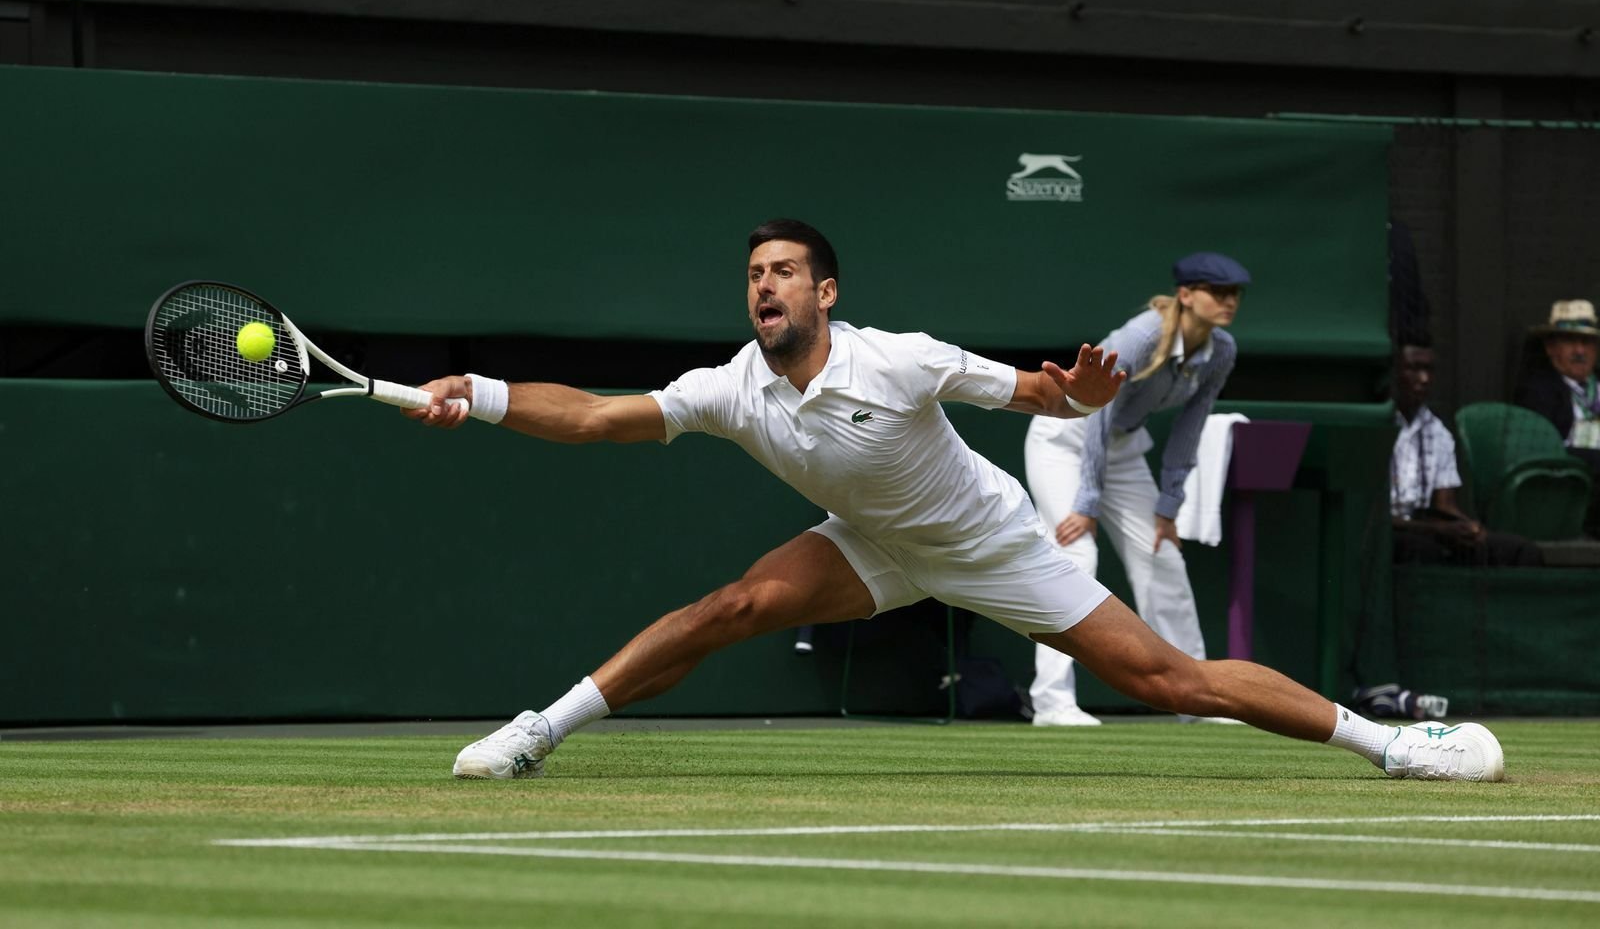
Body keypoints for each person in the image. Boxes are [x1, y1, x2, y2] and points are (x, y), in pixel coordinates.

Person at [409, 218, 1504, 783]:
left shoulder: (900, 357)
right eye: (753, 274)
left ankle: (1396, 747)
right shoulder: (726, 387)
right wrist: (487, 394)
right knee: (730, 607)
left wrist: (1069, 392)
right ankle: (534, 734)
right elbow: (599, 417)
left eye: (785, 271)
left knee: (1170, 681)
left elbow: (1031, 389)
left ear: (824, 291)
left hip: (990, 542)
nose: (764, 286)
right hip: (873, 541)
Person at [1022, 252, 1247, 727]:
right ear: (1186, 295)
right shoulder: (1142, 336)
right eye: (1217, 292)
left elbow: (1192, 424)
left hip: (1121, 451)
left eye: (1234, 294)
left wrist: (1169, 504)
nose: (1228, 302)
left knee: (1162, 558)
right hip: (1066, 438)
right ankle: (1052, 702)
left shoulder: (1221, 350)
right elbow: (1098, 412)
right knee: (1074, 556)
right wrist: (1087, 502)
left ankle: (1198, 699)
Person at [1391, 340, 1541, 566]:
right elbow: (1376, 516)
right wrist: (1437, 529)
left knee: (1522, 551)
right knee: (1422, 551)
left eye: (1429, 370)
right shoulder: (1379, 426)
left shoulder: (1437, 430)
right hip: (1387, 531)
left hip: (1425, 526)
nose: (1424, 379)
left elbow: (1445, 505)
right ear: (1395, 372)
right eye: (1414, 369)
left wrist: (1470, 527)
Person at [1513, 299, 1600, 534]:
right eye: (1571, 341)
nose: (1580, 351)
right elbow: (1546, 455)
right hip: (1566, 489)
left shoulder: (1598, 387)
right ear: (1551, 347)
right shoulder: (1537, 392)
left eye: (1587, 342)